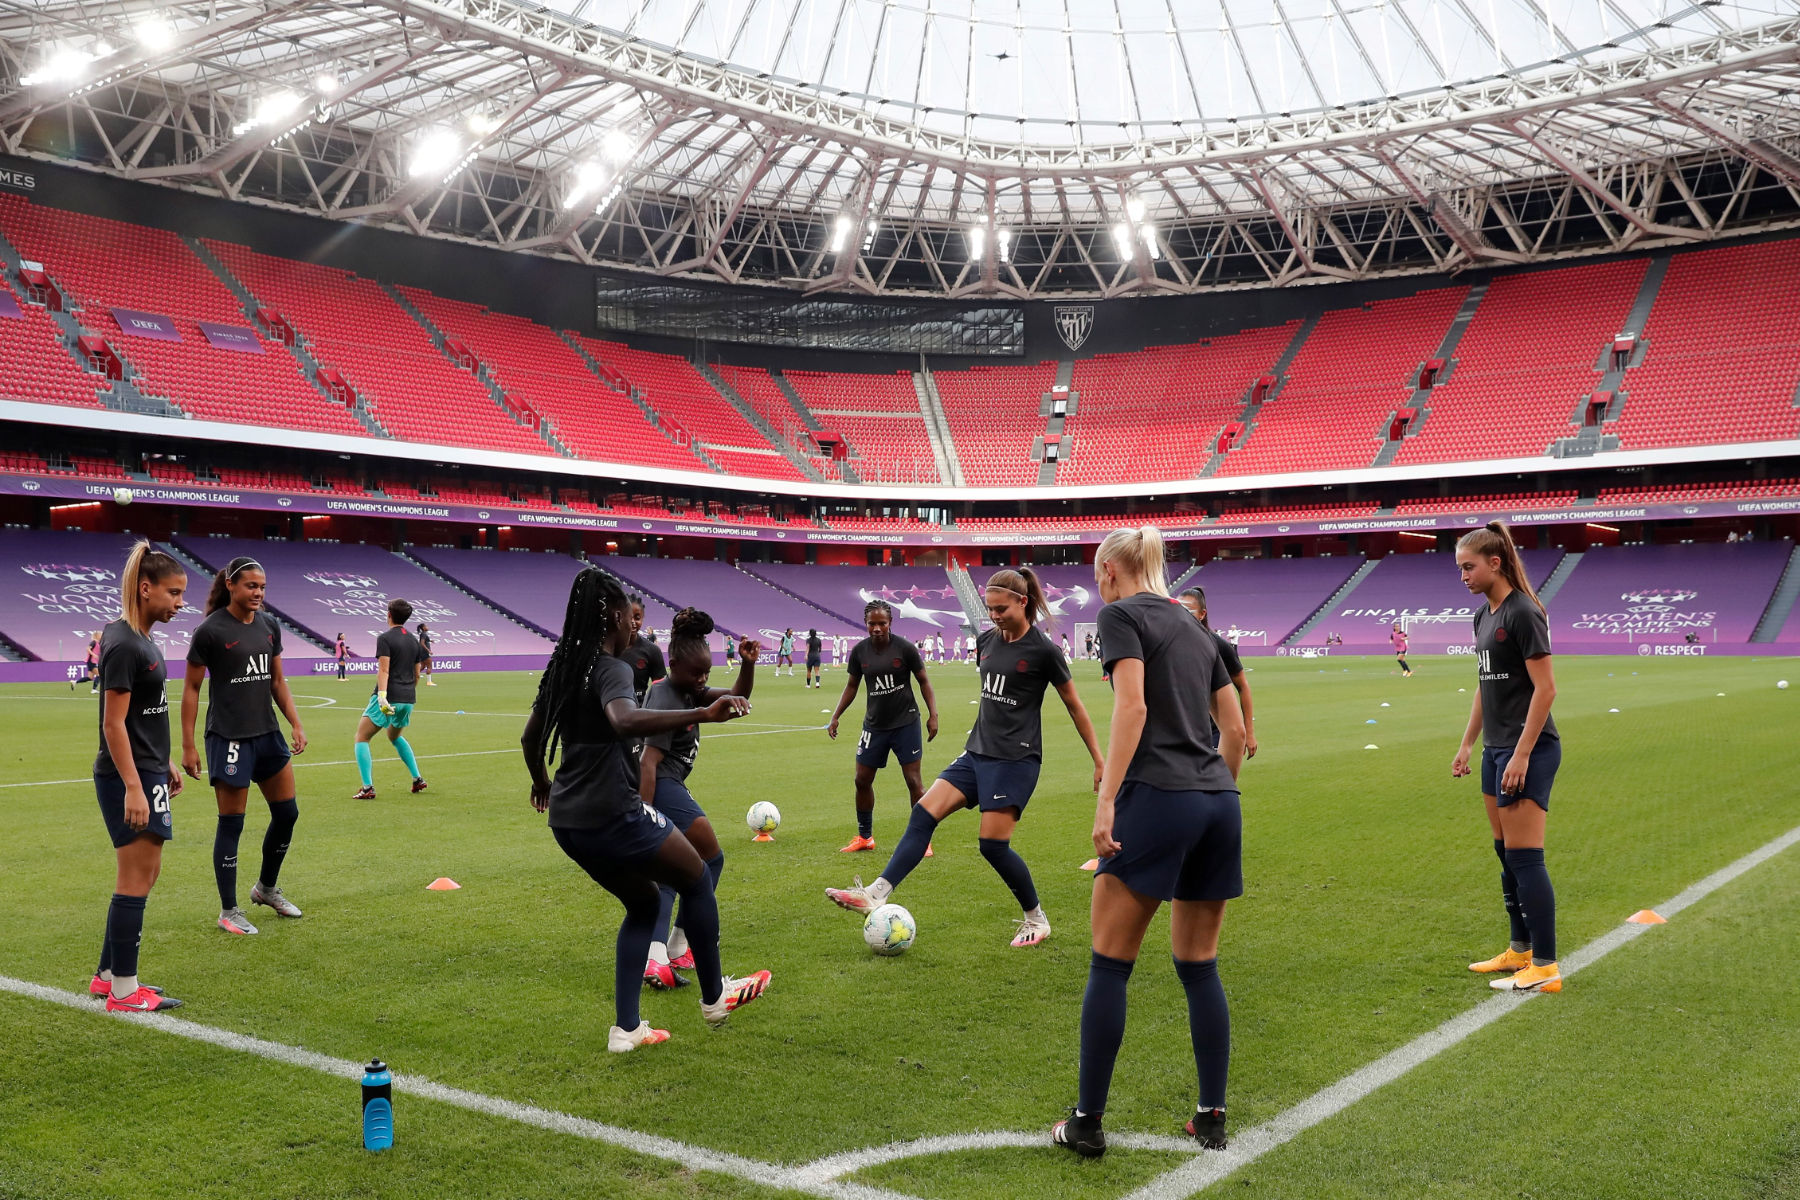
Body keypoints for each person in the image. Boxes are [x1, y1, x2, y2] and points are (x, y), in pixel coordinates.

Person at [1053, 527, 1246, 1158]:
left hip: (1158, 797)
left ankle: (1085, 1122)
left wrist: (1108, 795)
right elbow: (1236, 730)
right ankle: (1211, 1117)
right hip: (1219, 801)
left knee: (1110, 962)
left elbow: (1131, 709)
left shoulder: (1119, 615)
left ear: (1110, 570)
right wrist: (1212, 793)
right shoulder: (1194, 625)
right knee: (1199, 966)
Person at [520, 568, 770, 1052]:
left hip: (568, 821)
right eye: (625, 616)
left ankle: (627, 1029)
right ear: (610, 616)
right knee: (698, 875)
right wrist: (700, 714)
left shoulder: (567, 668)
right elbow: (623, 719)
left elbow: (531, 737)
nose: (633, 624)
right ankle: (716, 997)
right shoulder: (611, 667)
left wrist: (541, 781)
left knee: (644, 902)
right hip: (614, 812)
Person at [827, 569, 1104, 949]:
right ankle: (876, 892)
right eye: (989, 609)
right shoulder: (986, 641)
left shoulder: (1044, 651)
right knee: (923, 812)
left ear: (1023, 602)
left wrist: (1099, 760)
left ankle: (1036, 919)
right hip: (977, 752)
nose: (994, 616)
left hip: (1015, 760)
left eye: (1001, 608)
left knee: (992, 845)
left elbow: (1075, 706)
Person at [1454, 521, 1562, 994]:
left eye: (1468, 567)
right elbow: (1485, 687)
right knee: (1505, 853)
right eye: (1460, 569)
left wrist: (1520, 755)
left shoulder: (1522, 612)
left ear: (1494, 563)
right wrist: (1466, 743)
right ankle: (1518, 949)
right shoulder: (1483, 615)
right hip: (1496, 750)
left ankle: (1546, 965)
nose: (1463, 576)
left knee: (1525, 857)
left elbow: (1547, 689)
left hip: (1529, 750)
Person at [180, 555, 309, 936]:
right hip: (229, 738)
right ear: (231, 585)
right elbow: (190, 688)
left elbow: (278, 682)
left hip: (267, 735)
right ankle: (228, 910)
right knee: (232, 824)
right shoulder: (210, 630)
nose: (258, 593)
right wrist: (188, 746)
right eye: (251, 586)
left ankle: (266, 889)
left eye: (262, 587)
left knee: (287, 814)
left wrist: (296, 724)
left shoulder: (269, 625)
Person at [89, 543, 188, 1012]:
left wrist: (163, 759)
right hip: (127, 776)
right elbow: (113, 723)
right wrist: (133, 784)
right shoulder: (127, 643)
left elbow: (145, 715)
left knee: (147, 873)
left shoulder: (139, 638)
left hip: (148, 768)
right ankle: (125, 992)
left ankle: (108, 975)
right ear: (145, 588)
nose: (180, 603)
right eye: (173, 593)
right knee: (135, 877)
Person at [638, 610, 759, 989]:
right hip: (661, 785)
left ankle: (668, 950)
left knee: (680, 870)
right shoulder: (664, 695)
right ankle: (663, 952)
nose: (703, 680)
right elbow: (647, 760)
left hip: (669, 784)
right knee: (710, 857)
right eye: (696, 674)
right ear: (674, 664)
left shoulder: (687, 689)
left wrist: (748, 665)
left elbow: (734, 697)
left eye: (706, 674)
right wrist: (641, 817)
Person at [826, 600, 940, 853]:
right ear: (866, 624)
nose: (877, 628)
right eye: (872, 623)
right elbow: (852, 686)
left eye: (882, 623)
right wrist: (836, 715)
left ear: (890, 623)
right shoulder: (860, 652)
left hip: (906, 723)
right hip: (874, 726)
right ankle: (865, 837)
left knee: (913, 782)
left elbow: (924, 681)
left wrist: (933, 715)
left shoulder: (905, 649)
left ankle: (922, 840)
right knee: (861, 779)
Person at [351, 600, 427, 799]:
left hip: (388, 698)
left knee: (361, 737)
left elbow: (383, 670)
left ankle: (367, 787)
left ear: (389, 615)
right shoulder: (413, 641)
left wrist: (382, 697)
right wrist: (407, 693)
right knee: (394, 736)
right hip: (408, 699)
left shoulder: (384, 638)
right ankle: (417, 779)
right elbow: (417, 674)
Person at [1178, 588, 1259, 759]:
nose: (1182, 615)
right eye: (1179, 610)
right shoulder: (1169, 644)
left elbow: (1243, 686)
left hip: (1214, 730)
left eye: (1189, 611)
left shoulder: (1219, 646)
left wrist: (1249, 732)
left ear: (1202, 614)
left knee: (1214, 782)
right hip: (1181, 729)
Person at [625, 596, 668, 704]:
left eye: (637, 617)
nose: (633, 622)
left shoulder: (652, 650)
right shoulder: (605, 648)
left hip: (640, 711)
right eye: (629, 617)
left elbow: (661, 688)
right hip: (607, 713)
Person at [417, 621, 436, 686]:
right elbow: (421, 643)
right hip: (425, 653)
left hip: (422, 653)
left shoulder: (423, 634)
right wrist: (429, 651)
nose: (427, 627)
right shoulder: (424, 634)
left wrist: (430, 640)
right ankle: (429, 682)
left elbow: (423, 641)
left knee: (422, 666)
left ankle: (412, 676)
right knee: (429, 666)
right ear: (423, 628)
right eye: (426, 626)